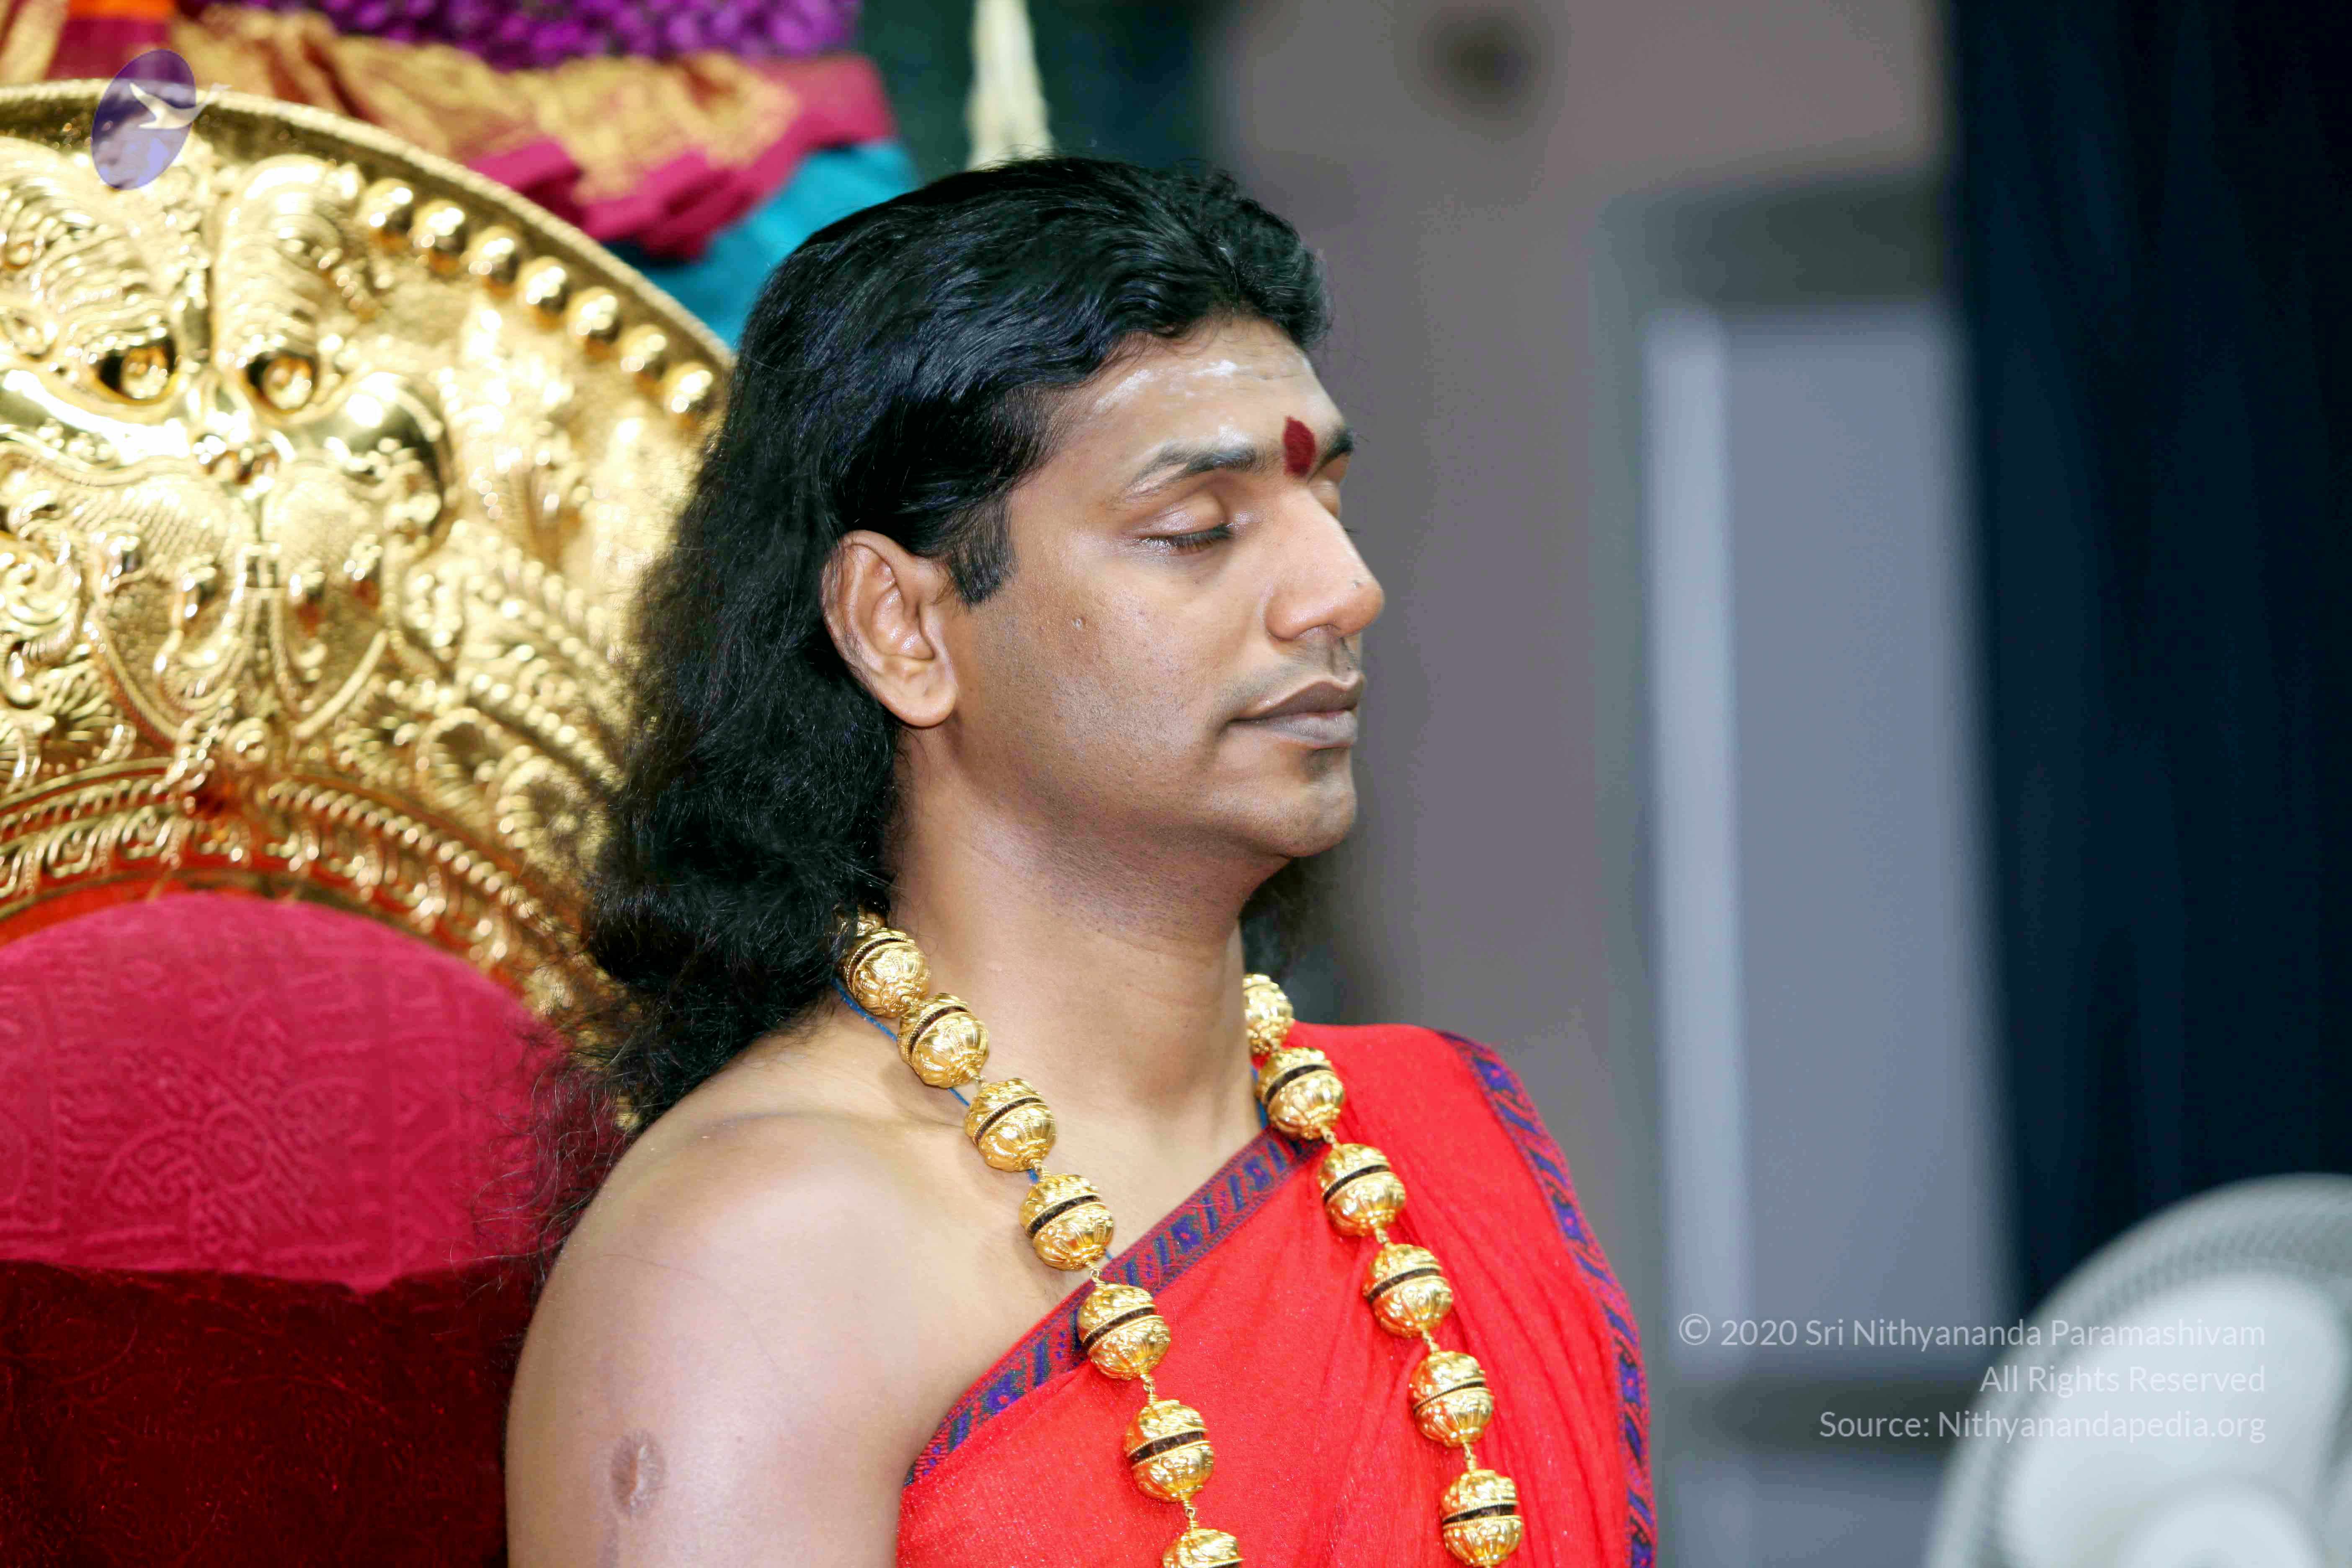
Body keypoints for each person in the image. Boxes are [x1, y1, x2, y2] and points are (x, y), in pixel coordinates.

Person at [503, 156, 1652, 1568]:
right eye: (1195, 530)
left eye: (1329, 502)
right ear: (902, 629)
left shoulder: (1432, 1142)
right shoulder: (753, 1257)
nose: (1344, 591)